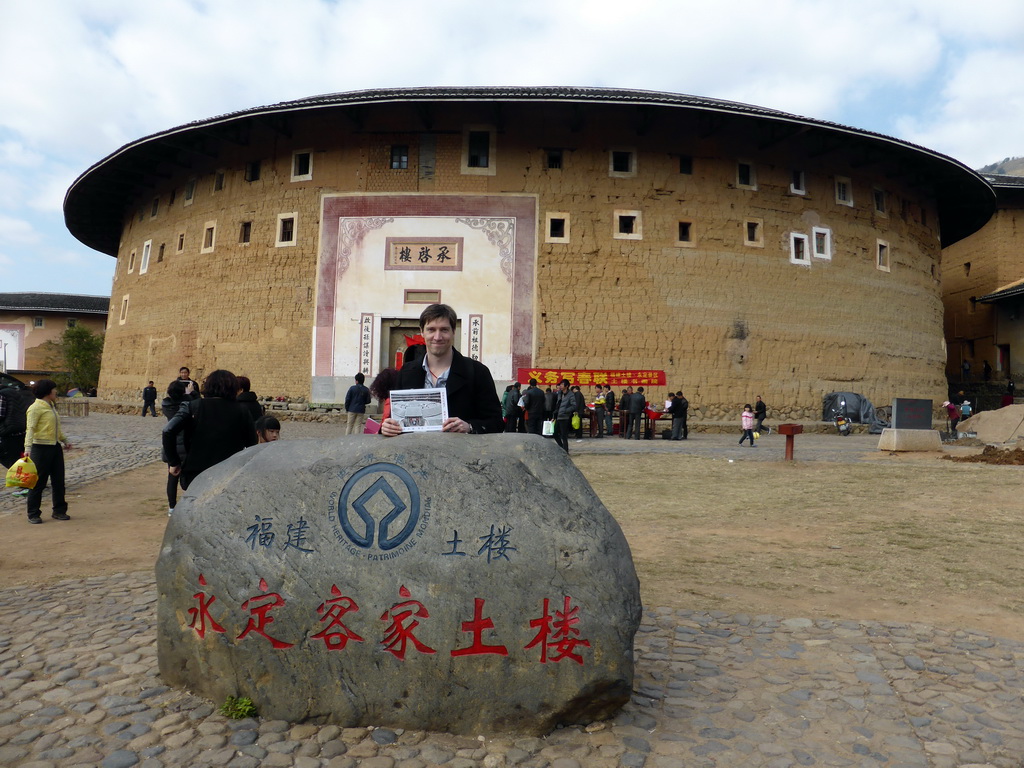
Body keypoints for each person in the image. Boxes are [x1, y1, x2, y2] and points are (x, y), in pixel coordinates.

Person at [381, 304, 503, 436]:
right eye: (431, 330)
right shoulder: (406, 372)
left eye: (444, 330)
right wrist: (387, 427)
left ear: (453, 331)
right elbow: (395, 418)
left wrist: (469, 427)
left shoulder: (477, 371)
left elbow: (496, 422)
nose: (437, 337)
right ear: (422, 332)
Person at [162, 369, 258, 490]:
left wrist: (174, 462)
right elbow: (252, 443)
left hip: (196, 470)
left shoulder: (193, 406)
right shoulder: (242, 410)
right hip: (229, 471)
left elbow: (168, 430)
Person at [24, 379, 72, 523]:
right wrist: (28, 448)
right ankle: (33, 514)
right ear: (47, 392)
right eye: (54, 389)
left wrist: (65, 441)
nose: (56, 392)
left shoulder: (51, 406)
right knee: (38, 483)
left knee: (58, 481)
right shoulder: (35, 408)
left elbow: (56, 428)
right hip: (40, 449)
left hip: (55, 448)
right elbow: (30, 429)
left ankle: (59, 511)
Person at [161, 380, 189, 515]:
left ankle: (172, 507)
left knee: (172, 478)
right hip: (185, 445)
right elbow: (194, 405)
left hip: (171, 446)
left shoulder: (167, 405)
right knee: (189, 478)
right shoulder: (186, 406)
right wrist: (190, 394)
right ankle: (190, 505)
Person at [552, 379, 578, 453]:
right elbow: (557, 404)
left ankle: (565, 450)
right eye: (560, 384)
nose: (560, 386)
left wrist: (566, 411)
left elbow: (574, 406)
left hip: (565, 417)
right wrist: (554, 415)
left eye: (562, 384)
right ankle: (561, 447)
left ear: (566, 386)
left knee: (564, 435)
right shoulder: (559, 393)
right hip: (558, 416)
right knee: (555, 433)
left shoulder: (571, 395)